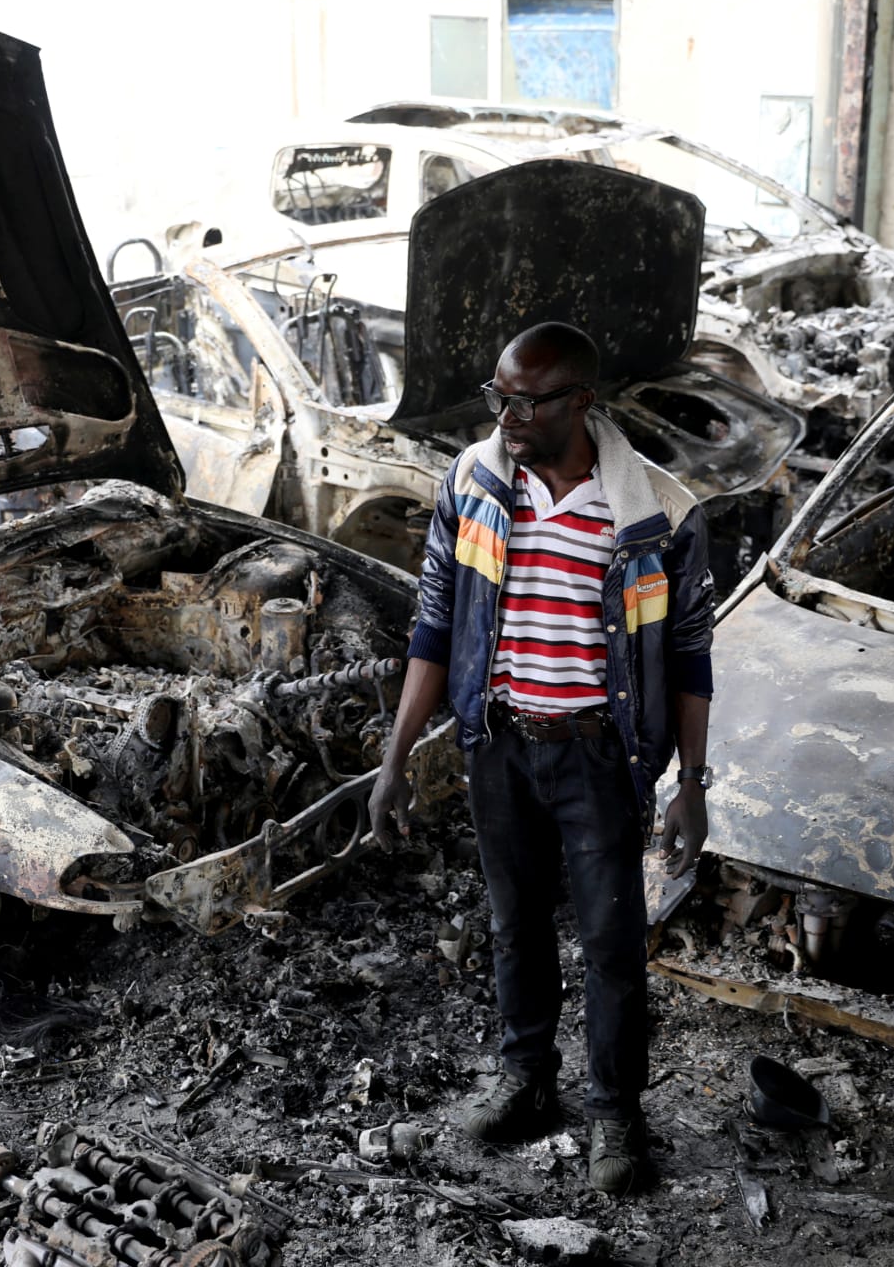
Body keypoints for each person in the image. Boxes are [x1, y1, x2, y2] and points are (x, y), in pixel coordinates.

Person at [368, 321, 715, 1195]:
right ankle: (526, 1082)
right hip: (501, 744)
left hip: (598, 758)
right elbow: (436, 621)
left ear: (581, 402)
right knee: (512, 924)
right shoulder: (474, 482)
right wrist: (397, 755)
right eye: (499, 397)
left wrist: (690, 785)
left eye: (526, 401)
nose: (508, 415)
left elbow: (690, 659)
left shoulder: (659, 511)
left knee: (611, 942)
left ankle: (614, 1116)